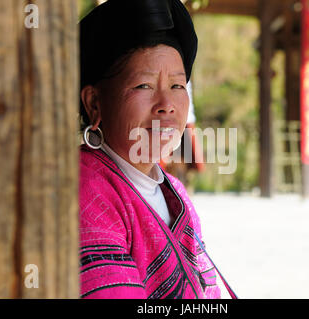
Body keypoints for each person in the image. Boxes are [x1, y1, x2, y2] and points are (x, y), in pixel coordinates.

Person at [78, 0, 231, 299]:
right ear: (94, 103)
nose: (167, 105)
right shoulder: (85, 190)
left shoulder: (174, 191)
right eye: (144, 86)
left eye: (177, 86)